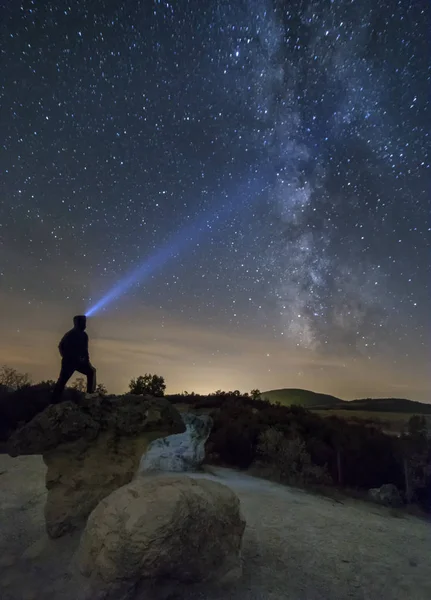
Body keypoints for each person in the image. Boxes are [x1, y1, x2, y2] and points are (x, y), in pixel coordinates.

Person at [52, 315, 97, 403]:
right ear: (78, 323)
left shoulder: (83, 335)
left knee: (91, 372)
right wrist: (66, 357)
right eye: (83, 322)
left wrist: (86, 362)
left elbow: (85, 351)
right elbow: (61, 346)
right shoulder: (71, 334)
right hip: (69, 362)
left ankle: (90, 393)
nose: (85, 325)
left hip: (77, 362)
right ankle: (54, 400)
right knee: (62, 380)